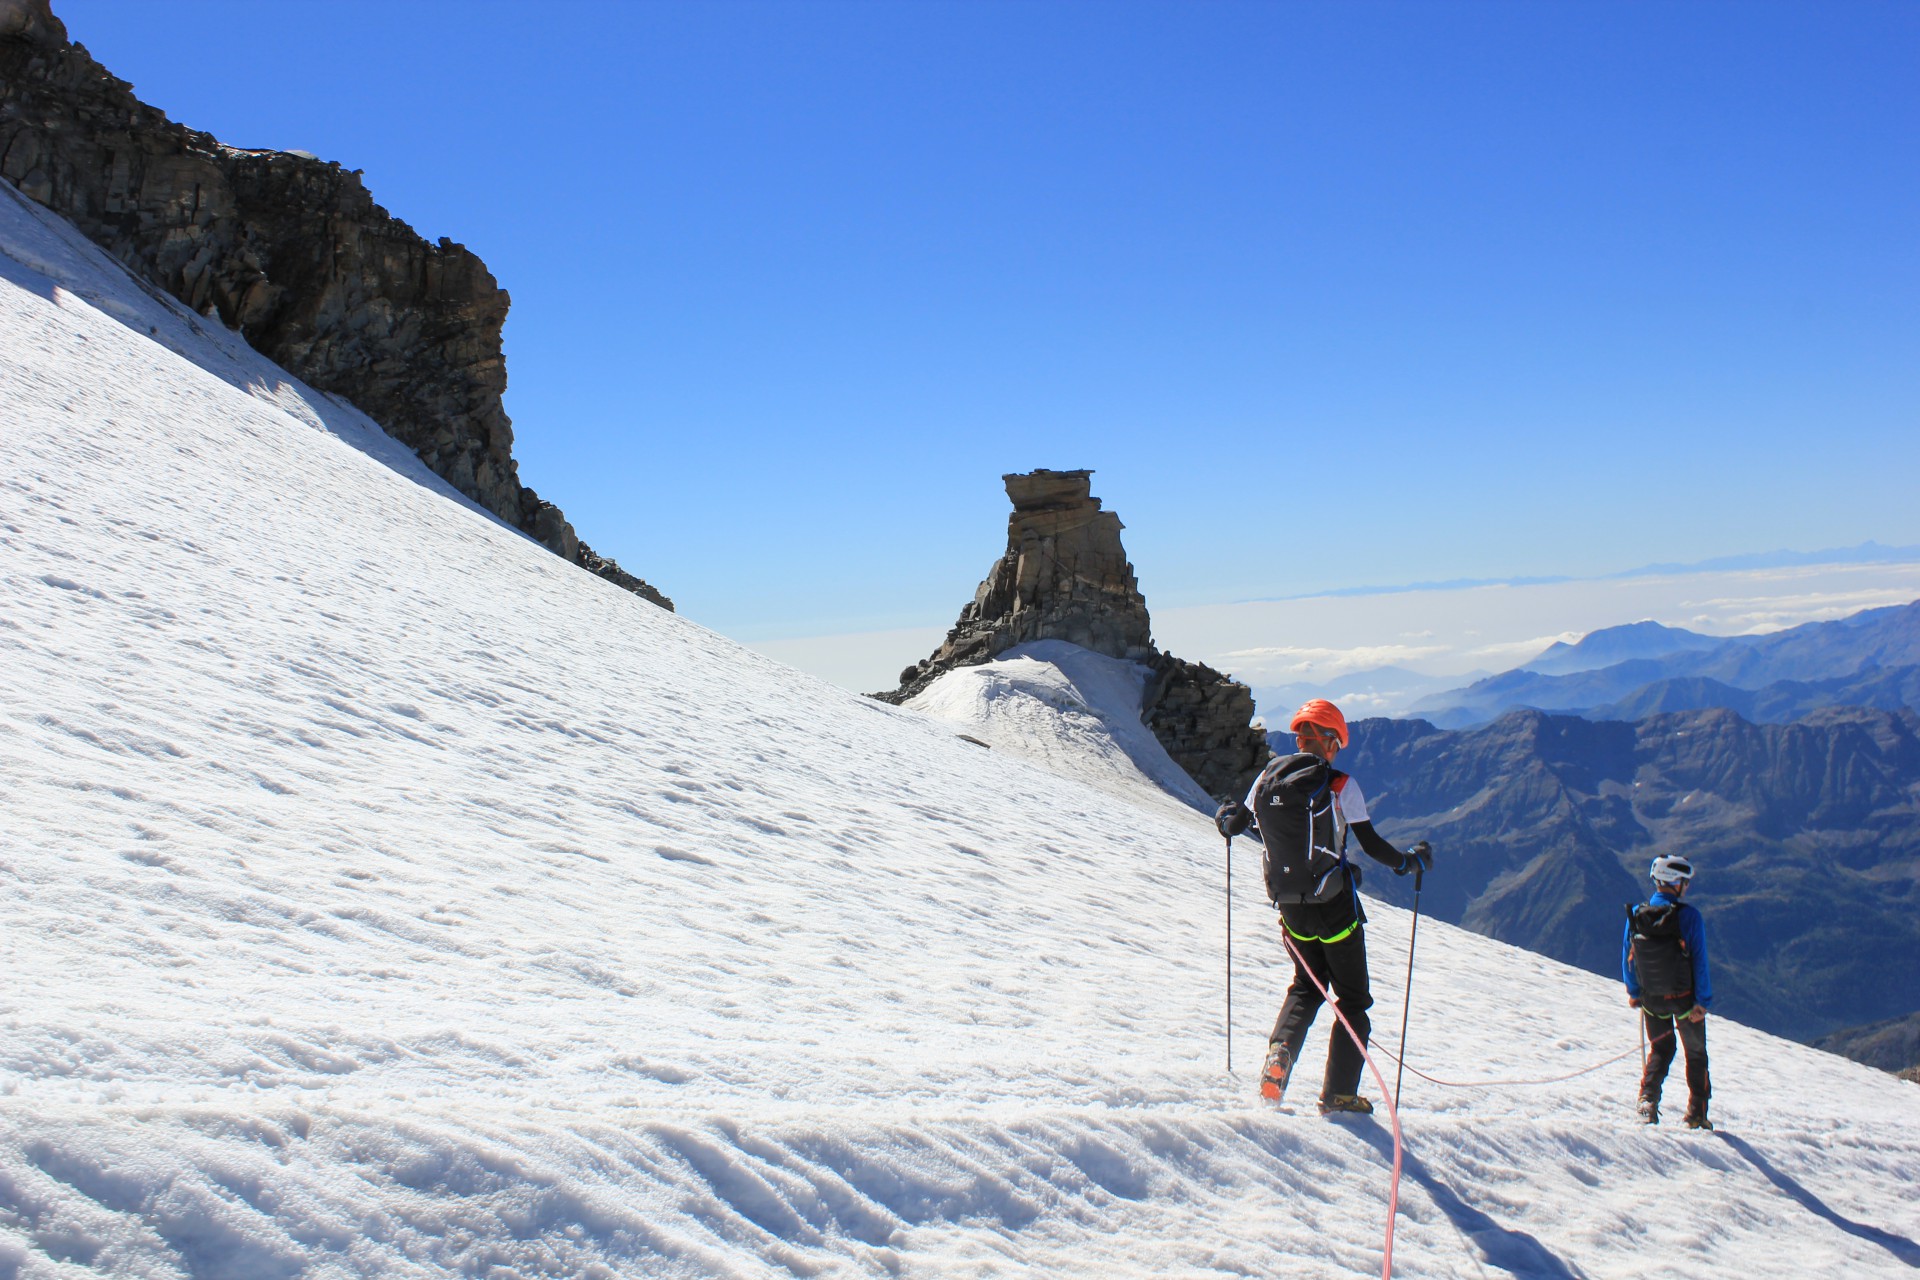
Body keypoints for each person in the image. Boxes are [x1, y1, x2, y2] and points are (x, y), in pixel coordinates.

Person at [1215, 699, 1432, 1115]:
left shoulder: (1265, 778)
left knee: (1306, 986)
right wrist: (1409, 862)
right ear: (1330, 742)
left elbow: (1237, 822)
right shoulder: (1338, 783)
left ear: (1298, 737)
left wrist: (1225, 817)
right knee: (1352, 1000)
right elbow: (1371, 844)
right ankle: (1339, 1095)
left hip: (1290, 908)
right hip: (1336, 909)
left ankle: (1279, 1058)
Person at [1624, 854, 1714, 1129]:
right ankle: (1696, 1114)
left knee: (1661, 1049)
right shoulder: (1689, 917)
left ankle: (1647, 1100)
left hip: (1652, 999)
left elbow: (1628, 957)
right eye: (1684, 882)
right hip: (1685, 1000)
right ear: (1676, 883)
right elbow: (1699, 960)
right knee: (1695, 1054)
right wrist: (1703, 1000)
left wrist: (1634, 991)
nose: (1686, 887)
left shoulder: (1637, 915)